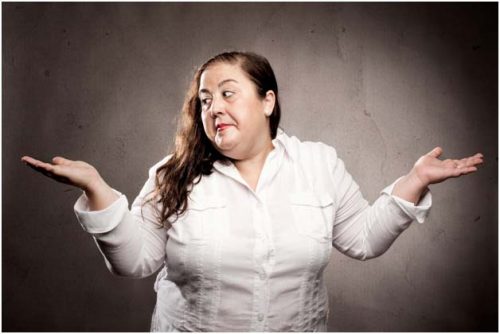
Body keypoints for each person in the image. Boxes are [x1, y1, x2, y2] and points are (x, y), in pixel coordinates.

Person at [21, 51, 484, 332]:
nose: (213, 108)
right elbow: (132, 261)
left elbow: (362, 239)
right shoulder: (173, 174)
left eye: (227, 93)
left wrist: (415, 180)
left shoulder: (318, 163)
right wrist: (97, 188)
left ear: (268, 101)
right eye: (204, 100)